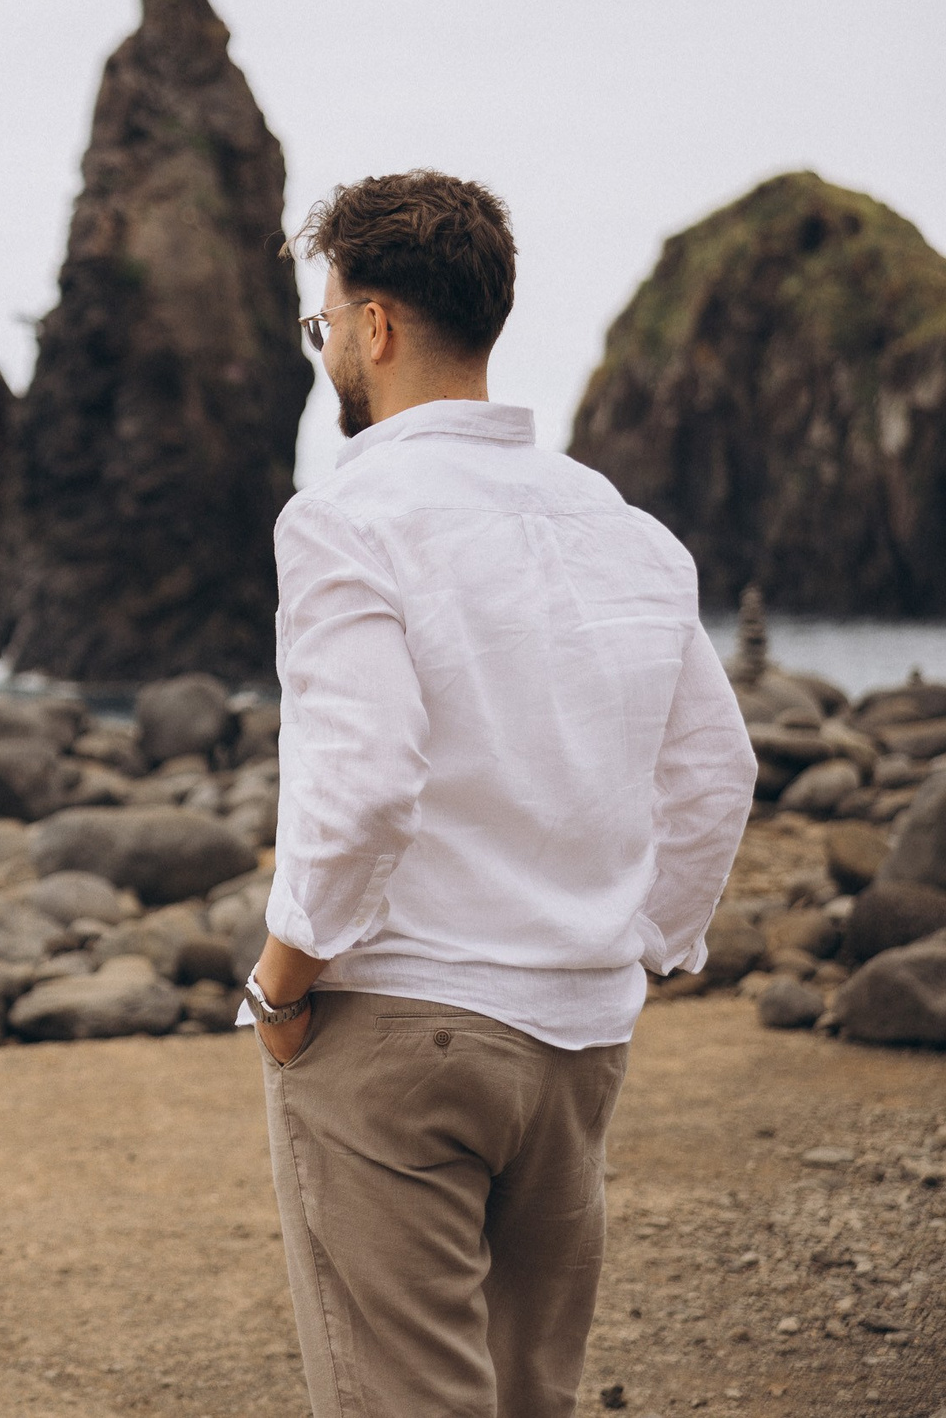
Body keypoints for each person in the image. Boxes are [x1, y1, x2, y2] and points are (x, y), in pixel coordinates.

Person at [244, 172, 753, 1415]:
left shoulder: (343, 519)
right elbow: (715, 772)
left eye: (325, 325)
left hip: (400, 1025)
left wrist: (281, 980)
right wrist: (633, 948)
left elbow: (362, 786)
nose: (329, 352)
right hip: (576, 1037)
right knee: (533, 1396)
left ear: (373, 326)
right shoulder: (625, 530)